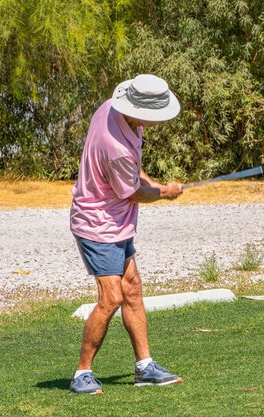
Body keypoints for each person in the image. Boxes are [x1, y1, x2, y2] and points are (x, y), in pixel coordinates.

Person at [69, 74, 184, 394]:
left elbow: (133, 172)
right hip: (97, 224)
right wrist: (164, 192)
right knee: (112, 298)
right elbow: (131, 191)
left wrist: (156, 186)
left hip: (116, 222)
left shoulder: (114, 110)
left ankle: (145, 367)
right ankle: (82, 373)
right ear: (139, 111)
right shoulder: (115, 145)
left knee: (131, 289)